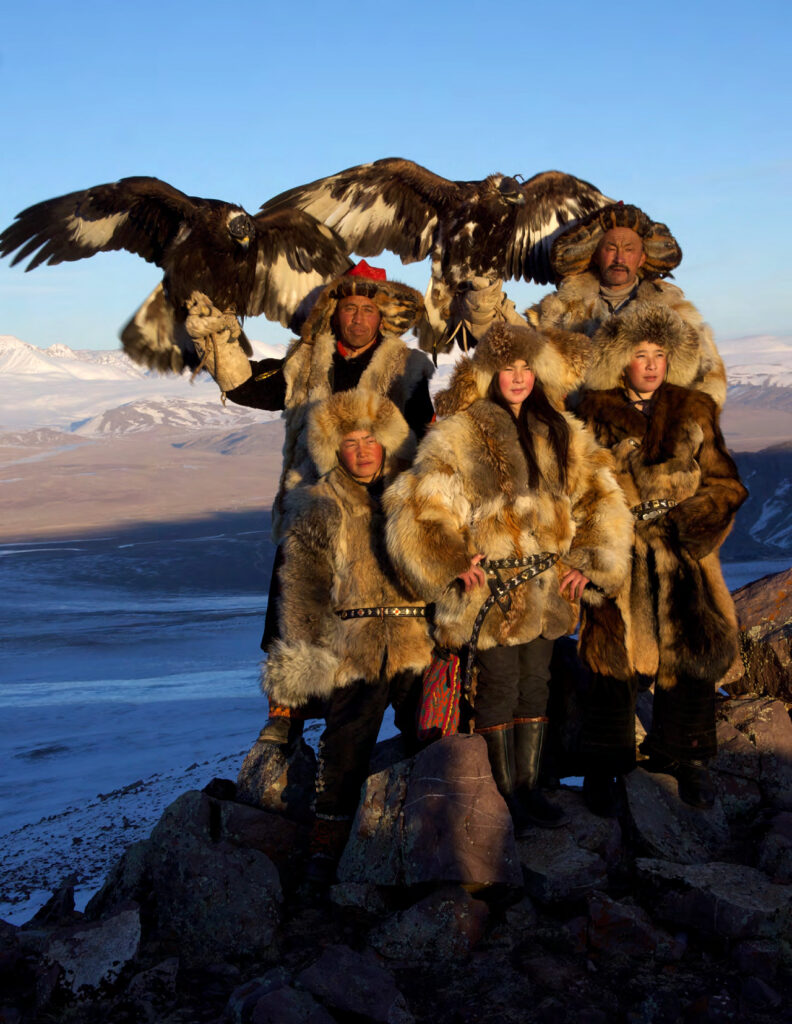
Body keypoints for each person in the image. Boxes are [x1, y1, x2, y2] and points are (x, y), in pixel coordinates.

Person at [384, 322, 633, 833]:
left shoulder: (561, 430)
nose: (517, 377)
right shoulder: (460, 431)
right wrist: (453, 561)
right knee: (498, 687)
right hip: (491, 592)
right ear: (489, 373)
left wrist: (589, 566)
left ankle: (531, 787)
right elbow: (422, 507)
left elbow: (600, 500)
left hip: (548, 587)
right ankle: (504, 797)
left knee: (536, 684)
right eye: (507, 367)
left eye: (526, 367)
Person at [185, 261, 435, 743]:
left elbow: (424, 430)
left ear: (382, 316)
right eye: (350, 308)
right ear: (333, 313)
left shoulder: (406, 368)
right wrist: (219, 343)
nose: (359, 318)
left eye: (369, 309)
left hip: (380, 508)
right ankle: (290, 712)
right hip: (311, 504)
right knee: (299, 602)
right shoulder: (304, 363)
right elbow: (245, 387)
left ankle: (412, 716)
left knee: (397, 607)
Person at [576, 303, 747, 812]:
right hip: (619, 549)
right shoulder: (594, 412)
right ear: (620, 361)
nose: (651, 364)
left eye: (659, 354)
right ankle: (605, 767)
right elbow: (579, 488)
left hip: (680, 549)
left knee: (691, 651)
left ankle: (685, 757)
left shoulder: (694, 408)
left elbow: (725, 484)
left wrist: (687, 528)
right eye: (639, 354)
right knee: (609, 657)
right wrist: (591, 552)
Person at [264, 389, 434, 882]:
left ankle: (428, 835)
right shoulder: (317, 504)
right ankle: (327, 845)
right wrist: (308, 656)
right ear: (333, 450)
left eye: (371, 439)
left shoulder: (413, 495)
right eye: (350, 441)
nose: (362, 450)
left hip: (415, 641)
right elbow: (302, 588)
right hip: (352, 649)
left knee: (434, 737)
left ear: (387, 443)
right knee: (345, 748)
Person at [447, 202, 727, 409]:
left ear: (642, 259)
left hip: (651, 451)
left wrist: (681, 427)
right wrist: (484, 297)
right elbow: (513, 344)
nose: (620, 257)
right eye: (611, 248)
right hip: (584, 448)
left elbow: (710, 380)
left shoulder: (674, 315)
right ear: (595, 255)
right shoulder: (560, 311)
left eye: (629, 249)